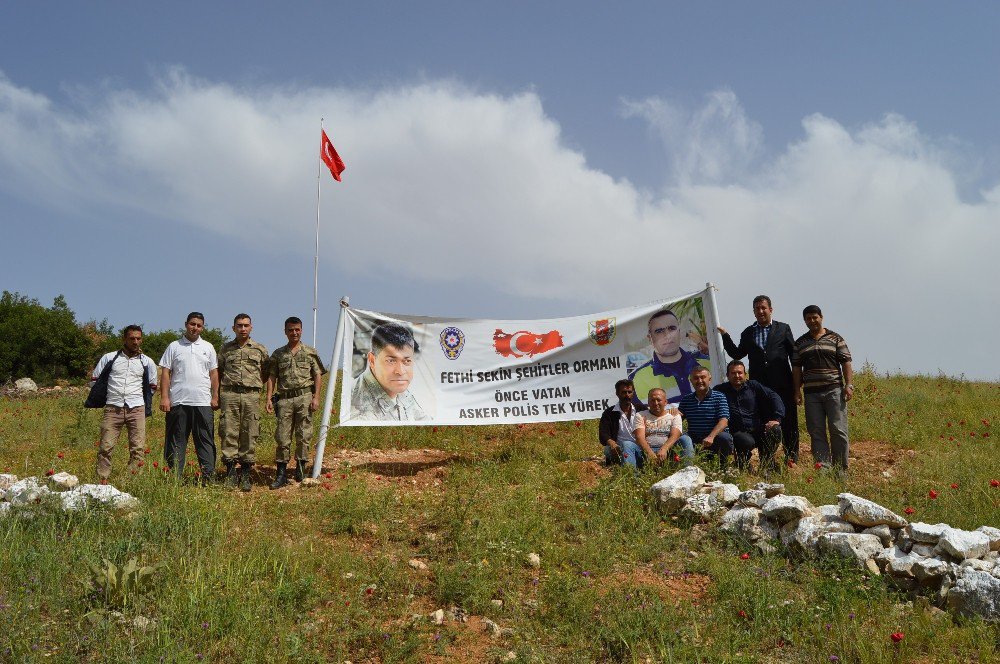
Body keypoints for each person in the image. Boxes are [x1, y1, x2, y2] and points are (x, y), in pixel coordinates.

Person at [718, 295, 800, 462]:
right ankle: (767, 460)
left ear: (771, 309)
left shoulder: (783, 329)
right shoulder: (748, 332)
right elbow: (737, 353)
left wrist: (797, 386)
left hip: (783, 384)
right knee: (763, 423)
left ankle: (792, 458)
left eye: (764, 308)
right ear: (754, 312)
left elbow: (794, 357)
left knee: (789, 422)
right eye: (757, 309)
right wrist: (725, 336)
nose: (761, 311)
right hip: (760, 388)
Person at [266, 317, 327, 489]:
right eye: (291, 330)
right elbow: (272, 376)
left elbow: (317, 375)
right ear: (285, 331)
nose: (294, 333)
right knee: (282, 437)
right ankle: (281, 473)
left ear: (301, 330)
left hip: (304, 397)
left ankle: (300, 469)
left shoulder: (310, 351)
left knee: (303, 435)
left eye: (297, 329)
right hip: (284, 399)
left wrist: (316, 397)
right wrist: (269, 397)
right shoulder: (278, 354)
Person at [90, 325, 157, 480]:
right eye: (132, 338)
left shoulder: (147, 362)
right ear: (124, 339)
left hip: (137, 409)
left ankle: (132, 480)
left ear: (142, 339)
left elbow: (152, 386)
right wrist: (110, 396)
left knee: (138, 448)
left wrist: (138, 398)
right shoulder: (109, 358)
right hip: (113, 408)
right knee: (106, 447)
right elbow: (95, 380)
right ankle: (102, 479)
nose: (135, 342)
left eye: (138, 338)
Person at [791, 305, 854, 471]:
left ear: (821, 317)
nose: (812, 321)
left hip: (834, 390)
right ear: (804, 321)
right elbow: (796, 368)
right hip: (811, 394)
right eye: (808, 319)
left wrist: (849, 385)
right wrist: (797, 390)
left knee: (838, 430)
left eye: (814, 317)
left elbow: (846, 362)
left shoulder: (835, 338)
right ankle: (823, 469)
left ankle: (841, 469)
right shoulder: (800, 343)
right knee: (816, 432)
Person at [158, 312, 219, 482]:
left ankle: (208, 479)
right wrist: (164, 397)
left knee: (205, 441)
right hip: (179, 401)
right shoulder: (174, 346)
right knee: (176, 442)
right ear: (186, 324)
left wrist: (215, 396)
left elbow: (214, 373)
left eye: (199, 325)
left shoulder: (208, 347)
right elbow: (165, 372)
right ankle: (174, 479)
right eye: (192, 324)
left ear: (203, 327)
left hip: (203, 402)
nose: (195, 328)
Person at [217, 314, 269, 492]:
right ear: (233, 328)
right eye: (239, 326)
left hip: (251, 396)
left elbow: (265, 373)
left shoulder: (260, 349)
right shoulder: (225, 349)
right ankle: (231, 473)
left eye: (246, 325)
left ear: (251, 327)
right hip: (229, 394)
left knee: (250, 431)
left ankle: (246, 474)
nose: (243, 329)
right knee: (228, 431)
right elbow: (220, 371)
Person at [349, 322, 430, 421]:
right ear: (372, 360)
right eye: (391, 361)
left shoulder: (397, 389)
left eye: (407, 361)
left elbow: (424, 420)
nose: (400, 371)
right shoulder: (356, 408)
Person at [714, 360, 785, 472]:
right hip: (738, 433)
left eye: (740, 373)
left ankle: (767, 463)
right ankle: (743, 463)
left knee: (775, 430)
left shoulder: (753, 386)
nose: (737, 376)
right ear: (727, 375)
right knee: (746, 441)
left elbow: (773, 396)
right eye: (733, 373)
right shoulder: (720, 390)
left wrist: (777, 418)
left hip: (759, 429)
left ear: (745, 374)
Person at [629, 309, 711, 406]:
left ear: (679, 332)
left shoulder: (708, 363)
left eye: (672, 328)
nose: (667, 335)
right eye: (659, 331)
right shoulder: (637, 378)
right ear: (650, 338)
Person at [677, 366, 734, 468]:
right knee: (683, 438)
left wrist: (711, 437)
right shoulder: (686, 399)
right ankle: (688, 469)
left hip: (715, 439)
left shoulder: (719, 397)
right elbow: (678, 419)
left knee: (725, 438)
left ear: (709, 379)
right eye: (696, 378)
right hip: (694, 439)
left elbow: (724, 421)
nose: (699, 381)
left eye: (703, 377)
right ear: (691, 381)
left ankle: (722, 467)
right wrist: (673, 413)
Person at [597, 379, 648, 468]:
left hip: (640, 447)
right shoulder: (609, 413)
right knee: (607, 450)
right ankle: (630, 472)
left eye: (629, 392)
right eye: (624, 392)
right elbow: (603, 434)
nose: (627, 395)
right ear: (617, 393)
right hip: (618, 449)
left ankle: (630, 468)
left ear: (633, 393)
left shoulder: (642, 409)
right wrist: (612, 443)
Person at [637, 388, 695, 464]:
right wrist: (650, 453)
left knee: (685, 439)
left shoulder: (674, 415)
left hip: (669, 450)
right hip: (646, 451)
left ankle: (689, 471)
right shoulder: (640, 415)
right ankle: (633, 475)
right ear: (648, 402)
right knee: (627, 444)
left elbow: (675, 435)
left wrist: (664, 449)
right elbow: (639, 437)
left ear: (665, 402)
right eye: (652, 400)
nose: (655, 403)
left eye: (658, 400)